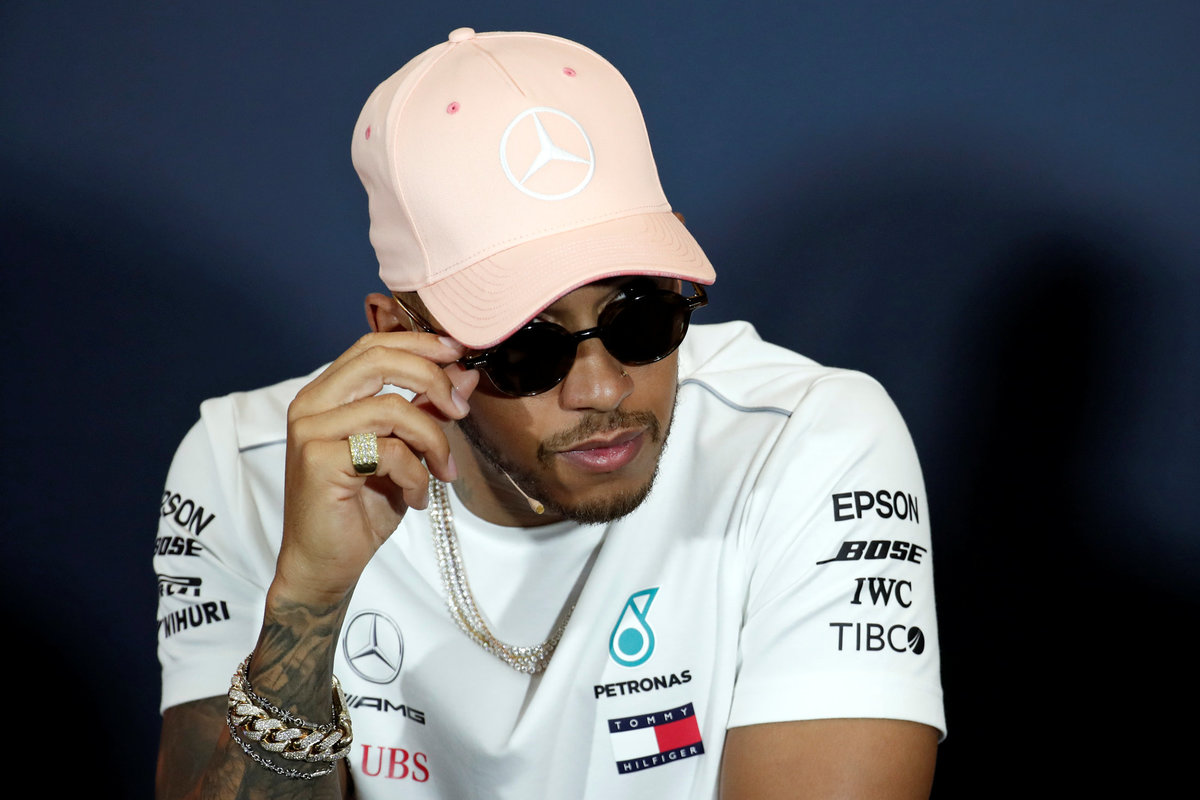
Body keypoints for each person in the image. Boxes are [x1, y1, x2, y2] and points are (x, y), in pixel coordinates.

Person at [154, 27, 945, 799]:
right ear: (399, 335)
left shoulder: (805, 440)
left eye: (641, 318)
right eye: (524, 348)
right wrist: (308, 601)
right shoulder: (248, 468)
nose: (602, 389)